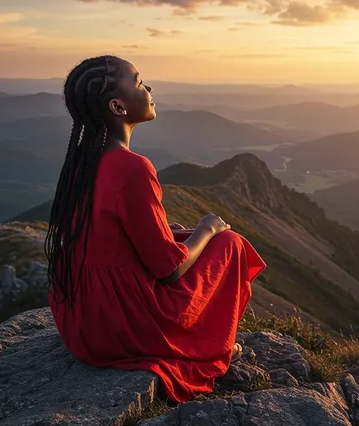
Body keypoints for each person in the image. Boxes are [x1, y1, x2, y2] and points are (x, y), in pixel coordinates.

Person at [45, 55, 267, 402]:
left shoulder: (83, 162)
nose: (147, 88)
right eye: (138, 81)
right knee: (231, 244)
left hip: (83, 326)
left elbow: (109, 235)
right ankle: (210, 345)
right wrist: (206, 229)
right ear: (118, 106)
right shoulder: (131, 167)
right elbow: (170, 270)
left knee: (180, 233)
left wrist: (167, 230)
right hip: (124, 327)